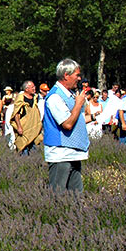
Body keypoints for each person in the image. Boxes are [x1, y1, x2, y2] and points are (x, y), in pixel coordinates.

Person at [42, 59, 92, 192]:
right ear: (66, 75)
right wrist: (79, 104)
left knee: (76, 195)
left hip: (73, 152)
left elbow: (77, 119)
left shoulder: (68, 95)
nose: (79, 78)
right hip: (60, 153)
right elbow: (67, 124)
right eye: (77, 75)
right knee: (58, 194)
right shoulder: (55, 97)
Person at [12, 80, 43, 155]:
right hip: (25, 129)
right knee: (24, 149)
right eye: (32, 87)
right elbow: (16, 114)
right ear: (26, 89)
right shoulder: (20, 98)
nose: (34, 88)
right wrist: (19, 127)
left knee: (34, 150)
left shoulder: (35, 98)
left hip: (35, 128)